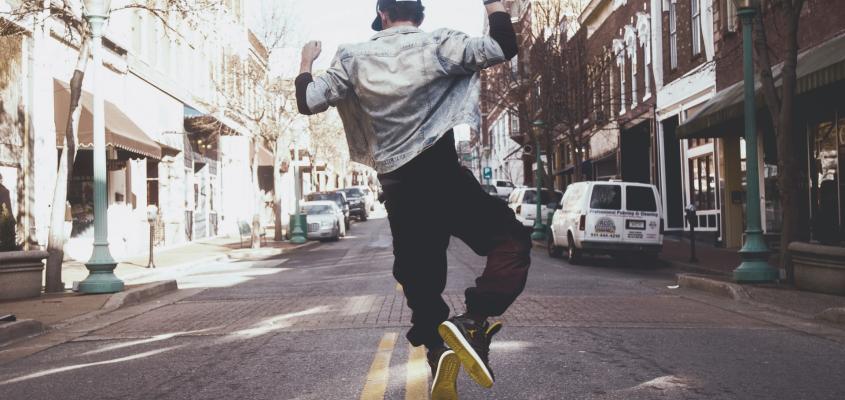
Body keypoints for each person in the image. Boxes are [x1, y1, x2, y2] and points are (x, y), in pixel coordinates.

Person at [295, 0, 530, 397]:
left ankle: (438, 350)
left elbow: (308, 101)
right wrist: (494, 5)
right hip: (443, 176)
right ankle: (473, 320)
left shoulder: (352, 57)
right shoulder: (439, 44)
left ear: (382, 16)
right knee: (512, 243)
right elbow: (503, 46)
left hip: (400, 189)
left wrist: (306, 60)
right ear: (420, 16)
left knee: (419, 279)